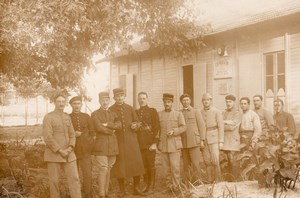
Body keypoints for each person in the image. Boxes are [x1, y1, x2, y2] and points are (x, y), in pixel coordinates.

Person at [42, 94, 81, 198]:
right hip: (54, 154)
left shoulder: (67, 117)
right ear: (54, 102)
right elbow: (48, 137)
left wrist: (70, 148)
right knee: (54, 182)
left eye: (63, 102)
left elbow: (72, 134)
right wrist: (60, 150)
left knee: (75, 179)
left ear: (65, 103)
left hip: (69, 154)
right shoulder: (48, 117)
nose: (61, 104)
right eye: (58, 101)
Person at [110, 88, 145, 196]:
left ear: (125, 96)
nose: (120, 98)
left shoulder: (130, 108)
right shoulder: (111, 109)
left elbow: (138, 122)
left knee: (136, 164)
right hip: (118, 141)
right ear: (114, 98)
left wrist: (136, 125)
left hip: (131, 141)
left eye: (122, 95)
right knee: (120, 166)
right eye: (117, 96)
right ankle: (122, 190)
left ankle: (136, 188)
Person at [91, 92, 121, 198]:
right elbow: (98, 127)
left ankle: (106, 192)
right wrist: (111, 131)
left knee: (109, 168)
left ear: (109, 101)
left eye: (107, 100)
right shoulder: (95, 114)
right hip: (101, 145)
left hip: (112, 145)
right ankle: (101, 194)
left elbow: (119, 125)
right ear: (99, 101)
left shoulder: (113, 114)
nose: (105, 102)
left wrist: (108, 124)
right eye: (103, 100)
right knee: (103, 168)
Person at [158, 93, 186, 193]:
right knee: (166, 169)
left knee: (175, 168)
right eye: (165, 102)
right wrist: (158, 143)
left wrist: (174, 131)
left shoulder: (178, 114)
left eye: (169, 102)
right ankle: (169, 186)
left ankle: (176, 187)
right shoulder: (159, 114)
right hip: (163, 145)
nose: (167, 104)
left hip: (175, 145)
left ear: (172, 103)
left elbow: (183, 127)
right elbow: (158, 130)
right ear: (163, 102)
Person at [69, 96, 95, 198]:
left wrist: (90, 145)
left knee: (87, 174)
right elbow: (64, 133)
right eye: (74, 104)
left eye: (78, 103)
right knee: (74, 175)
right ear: (71, 105)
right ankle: (76, 195)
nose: (76, 106)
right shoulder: (68, 117)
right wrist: (73, 134)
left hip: (86, 151)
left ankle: (88, 195)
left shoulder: (86, 116)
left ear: (81, 105)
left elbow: (93, 133)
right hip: (73, 150)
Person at [135, 92, 160, 194]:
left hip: (150, 144)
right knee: (143, 166)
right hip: (139, 145)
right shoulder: (135, 112)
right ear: (138, 100)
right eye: (140, 98)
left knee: (150, 165)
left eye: (144, 98)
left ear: (147, 99)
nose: (142, 100)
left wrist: (155, 143)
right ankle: (146, 185)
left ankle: (151, 186)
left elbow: (157, 128)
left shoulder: (152, 111)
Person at [179, 93, 206, 183]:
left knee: (196, 164)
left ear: (190, 101)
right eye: (183, 100)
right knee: (186, 165)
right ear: (181, 102)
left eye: (187, 100)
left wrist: (202, 140)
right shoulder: (179, 113)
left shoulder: (196, 111)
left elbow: (201, 126)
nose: (185, 102)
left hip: (194, 142)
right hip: (184, 143)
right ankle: (188, 183)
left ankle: (199, 183)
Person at [200, 93, 224, 183]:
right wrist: (201, 140)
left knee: (215, 160)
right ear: (202, 101)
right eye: (204, 100)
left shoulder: (217, 111)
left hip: (214, 138)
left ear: (211, 101)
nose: (206, 102)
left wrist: (221, 141)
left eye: (208, 100)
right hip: (204, 138)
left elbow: (221, 126)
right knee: (207, 160)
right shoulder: (200, 112)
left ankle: (217, 180)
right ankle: (209, 180)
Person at [221, 95, 241, 181]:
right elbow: (221, 125)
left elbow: (233, 126)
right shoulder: (224, 112)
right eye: (227, 102)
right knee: (226, 161)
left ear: (234, 102)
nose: (228, 104)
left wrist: (223, 123)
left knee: (233, 161)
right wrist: (226, 123)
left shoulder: (237, 112)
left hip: (233, 139)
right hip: (225, 139)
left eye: (230, 102)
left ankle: (235, 180)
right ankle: (228, 180)